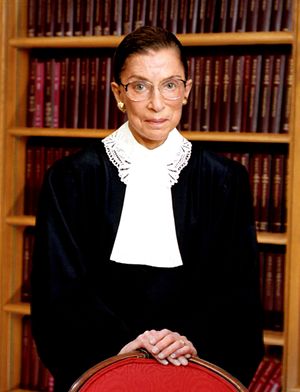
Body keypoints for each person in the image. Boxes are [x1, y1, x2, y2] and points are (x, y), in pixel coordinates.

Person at [31, 26, 264, 391]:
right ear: (118, 95)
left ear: (186, 91)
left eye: (170, 85)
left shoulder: (226, 180)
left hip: (195, 362)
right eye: (139, 86)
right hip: (102, 366)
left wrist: (188, 342)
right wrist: (123, 348)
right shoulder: (70, 178)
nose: (157, 103)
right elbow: (59, 291)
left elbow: (237, 292)